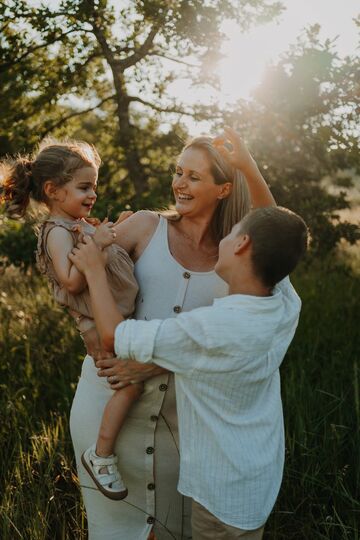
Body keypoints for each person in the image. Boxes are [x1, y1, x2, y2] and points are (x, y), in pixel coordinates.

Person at [69, 126, 276, 540]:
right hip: (109, 403)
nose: (179, 183)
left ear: (222, 190)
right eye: (178, 172)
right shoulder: (145, 226)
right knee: (113, 529)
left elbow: (277, 229)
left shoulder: (236, 253)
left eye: (194, 176)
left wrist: (248, 165)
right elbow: (80, 282)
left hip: (183, 421)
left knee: (167, 529)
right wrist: (90, 334)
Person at [0, 138, 141, 500]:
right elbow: (71, 279)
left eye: (93, 185)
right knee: (130, 384)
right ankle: (102, 455)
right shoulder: (57, 233)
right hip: (96, 325)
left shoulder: (77, 223)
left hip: (115, 318)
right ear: (53, 191)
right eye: (84, 187)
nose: (93, 193)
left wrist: (111, 234)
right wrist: (100, 245)